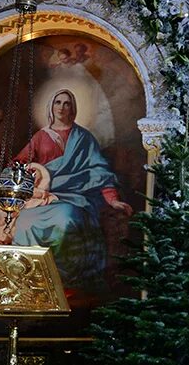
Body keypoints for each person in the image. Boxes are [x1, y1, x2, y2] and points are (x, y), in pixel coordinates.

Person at [10, 89, 133, 293]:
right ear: (51, 106)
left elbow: (98, 170)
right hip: (44, 198)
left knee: (67, 218)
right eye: (58, 102)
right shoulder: (41, 136)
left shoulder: (84, 138)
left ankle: (61, 278)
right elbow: (19, 164)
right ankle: (28, 277)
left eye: (67, 103)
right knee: (24, 221)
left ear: (73, 108)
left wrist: (112, 200)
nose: (61, 107)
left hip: (76, 197)